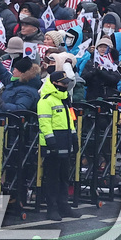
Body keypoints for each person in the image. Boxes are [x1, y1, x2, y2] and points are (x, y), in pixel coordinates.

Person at [36, 70, 74, 221]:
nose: (65, 85)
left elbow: (70, 120)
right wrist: (50, 141)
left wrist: (73, 137)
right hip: (52, 143)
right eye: (63, 83)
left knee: (64, 176)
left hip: (65, 140)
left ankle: (64, 206)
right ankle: (52, 208)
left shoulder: (65, 99)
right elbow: (44, 123)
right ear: (54, 83)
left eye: (66, 83)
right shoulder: (46, 100)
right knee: (52, 177)